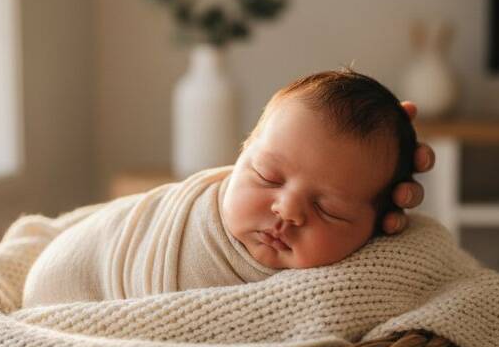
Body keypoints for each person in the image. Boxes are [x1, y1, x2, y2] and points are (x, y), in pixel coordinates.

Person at [22, 67, 436, 307]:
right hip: (68, 289)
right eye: (269, 178)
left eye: (329, 209)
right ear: (240, 154)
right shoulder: (194, 245)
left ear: (377, 225)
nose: (287, 211)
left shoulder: (358, 275)